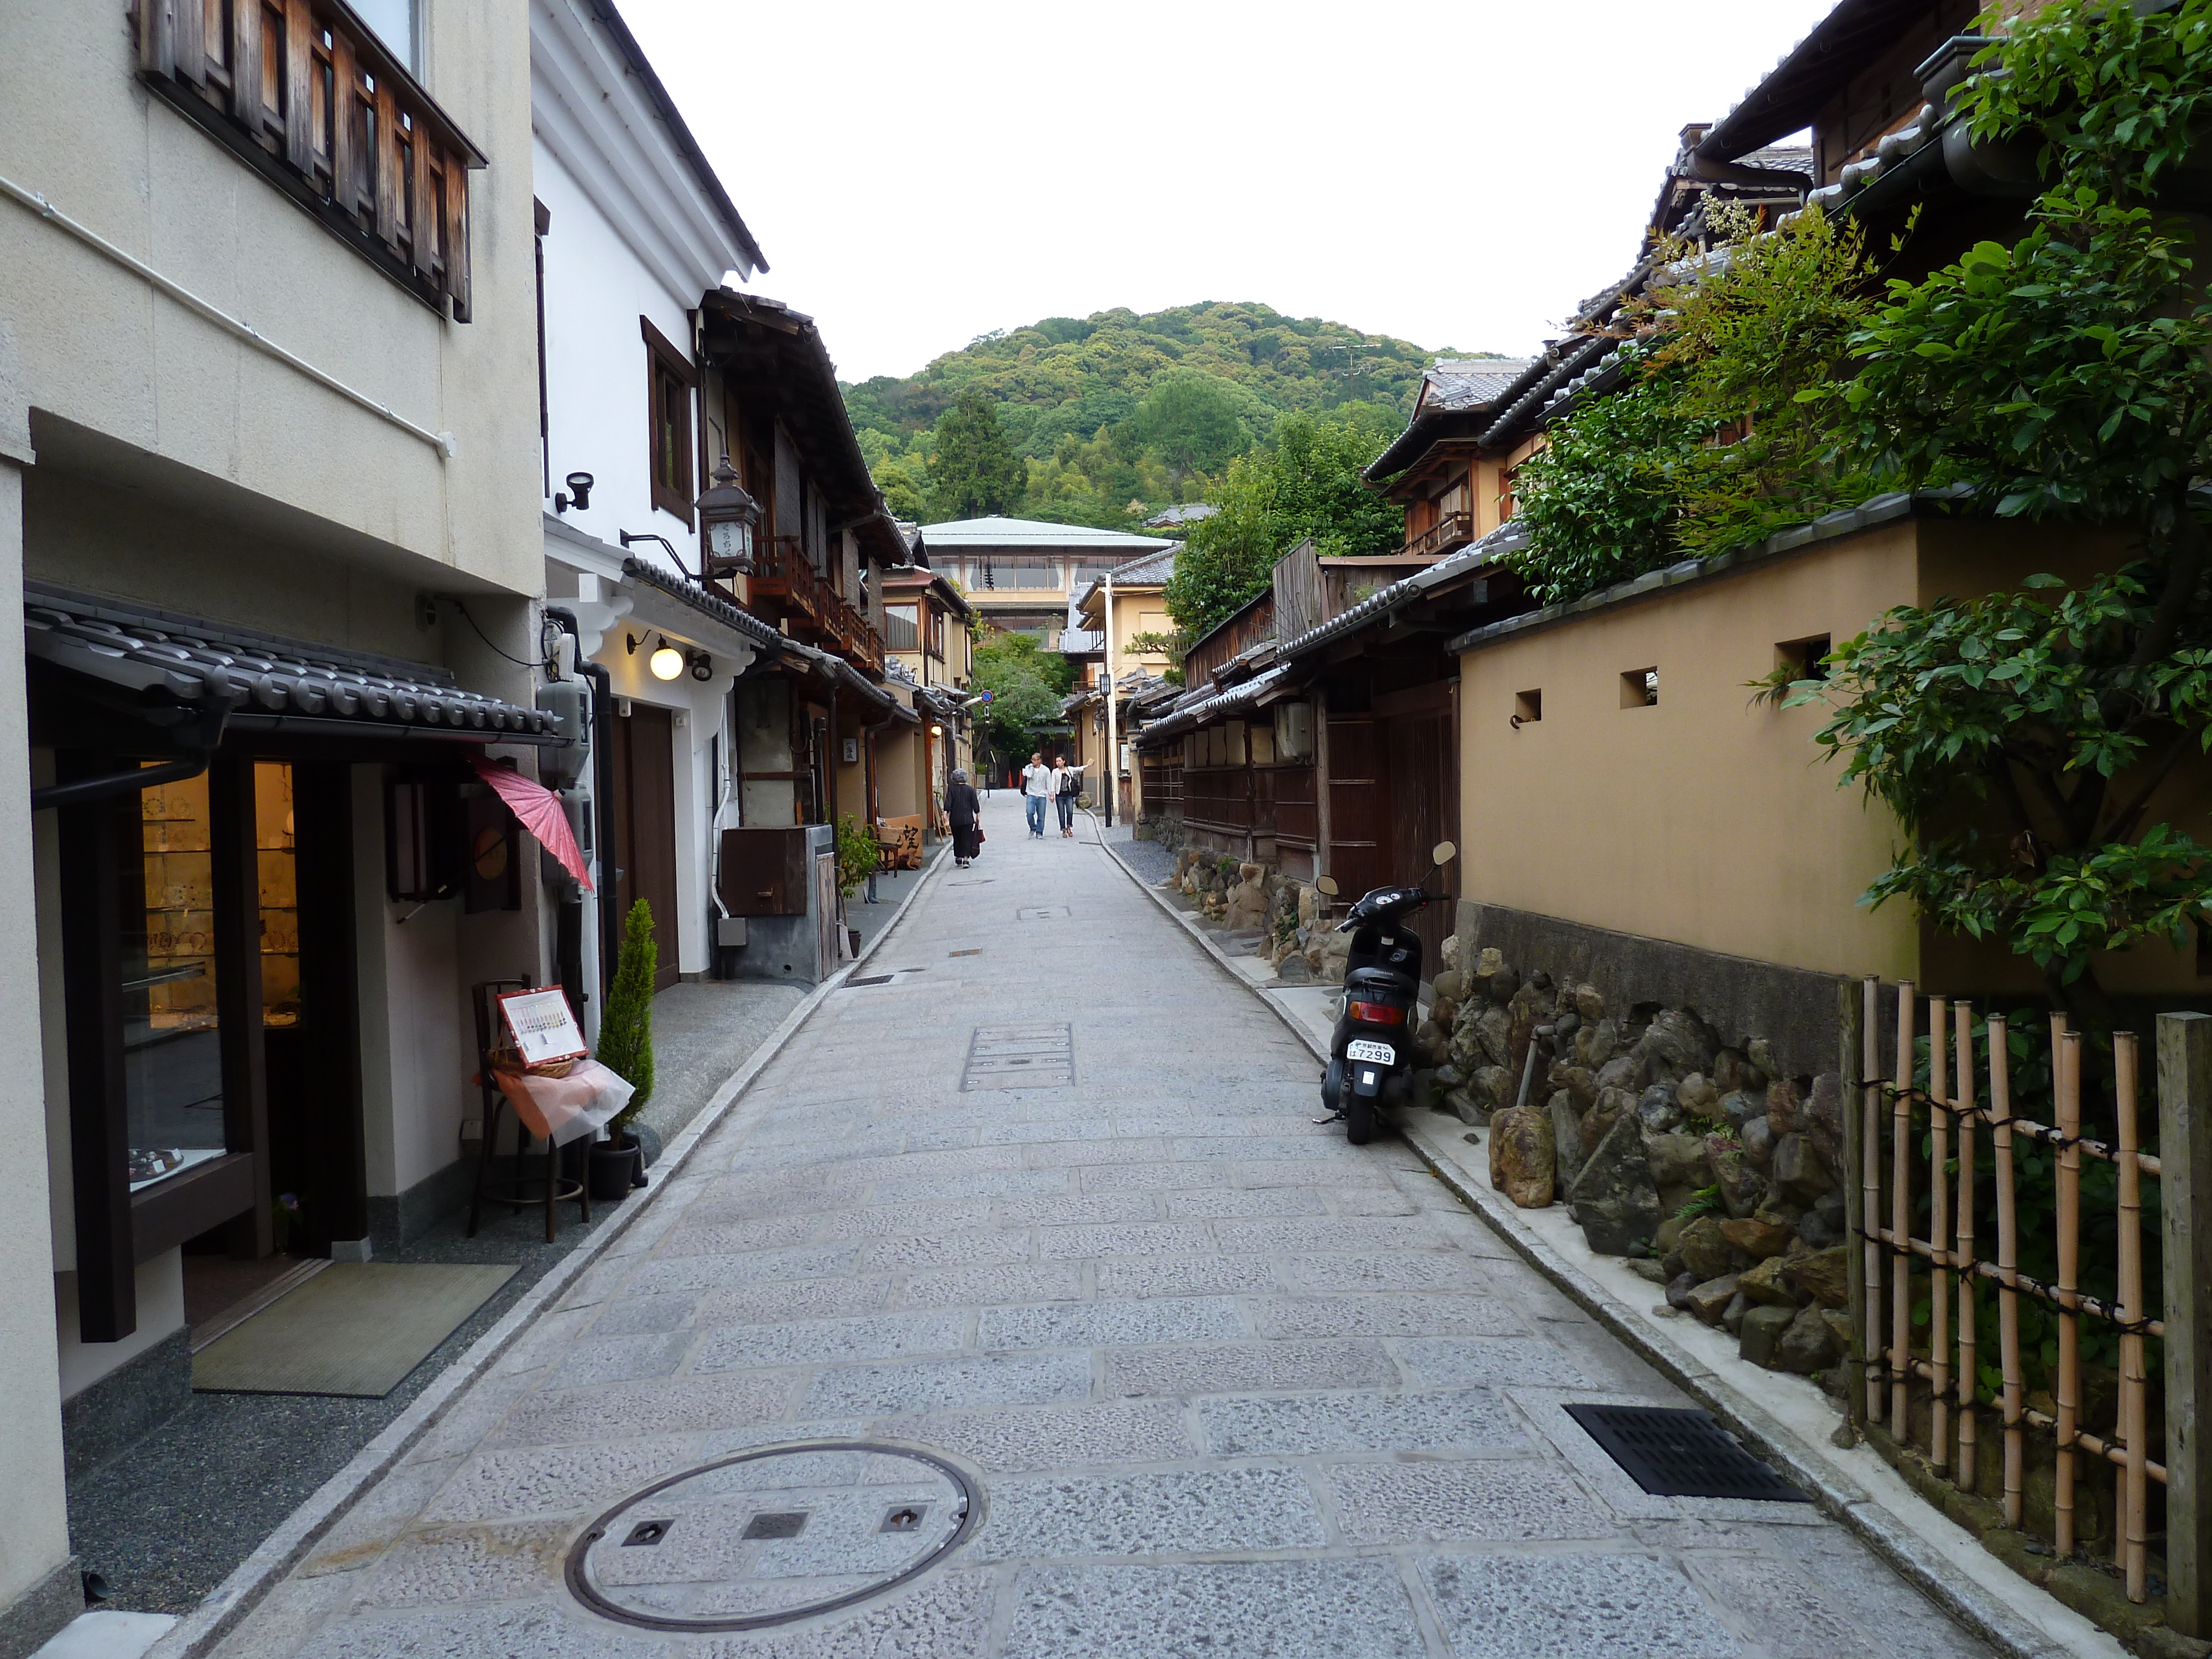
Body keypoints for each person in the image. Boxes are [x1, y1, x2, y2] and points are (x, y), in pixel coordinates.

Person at [943, 768, 982, 867]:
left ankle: (958, 857)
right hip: (968, 819)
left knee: (957, 838)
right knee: (967, 838)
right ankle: (966, 859)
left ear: (954, 778)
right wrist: (978, 815)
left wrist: (945, 814)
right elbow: (975, 804)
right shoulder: (970, 790)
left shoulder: (952, 790)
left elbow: (948, 803)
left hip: (955, 819)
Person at [1020, 750, 1052, 838]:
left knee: (1041, 816)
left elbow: (1049, 783)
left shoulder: (1046, 770)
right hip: (1031, 793)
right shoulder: (1029, 767)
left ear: (1040, 760)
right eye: (1032, 759)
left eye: (1035, 760)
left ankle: (1040, 832)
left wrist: (1051, 794)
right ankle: (1033, 827)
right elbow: (1028, 775)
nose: (1033, 761)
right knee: (1029, 812)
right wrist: (1031, 768)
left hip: (1042, 795)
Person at [1052, 755, 1084, 837]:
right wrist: (1052, 795)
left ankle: (1069, 827)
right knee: (1061, 813)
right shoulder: (1055, 772)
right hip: (1059, 795)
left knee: (1070, 811)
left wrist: (1088, 765)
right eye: (1057, 761)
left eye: (1059, 761)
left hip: (1069, 795)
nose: (1058, 763)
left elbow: (1079, 769)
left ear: (1064, 761)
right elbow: (1053, 784)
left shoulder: (1069, 769)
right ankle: (1063, 830)